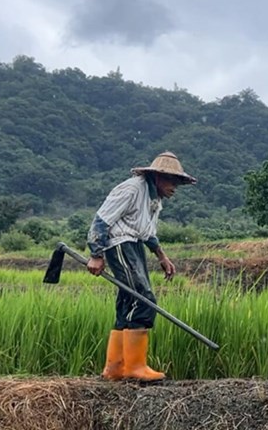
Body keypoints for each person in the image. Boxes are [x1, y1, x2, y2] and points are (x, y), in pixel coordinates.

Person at [86, 151, 197, 381]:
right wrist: (96, 254)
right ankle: (135, 367)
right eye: (171, 181)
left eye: (177, 182)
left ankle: (115, 369)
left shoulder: (154, 198)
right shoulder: (132, 189)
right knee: (144, 299)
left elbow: (147, 232)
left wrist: (161, 256)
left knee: (128, 301)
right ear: (157, 176)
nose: (174, 188)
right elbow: (101, 220)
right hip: (119, 243)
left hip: (134, 244)